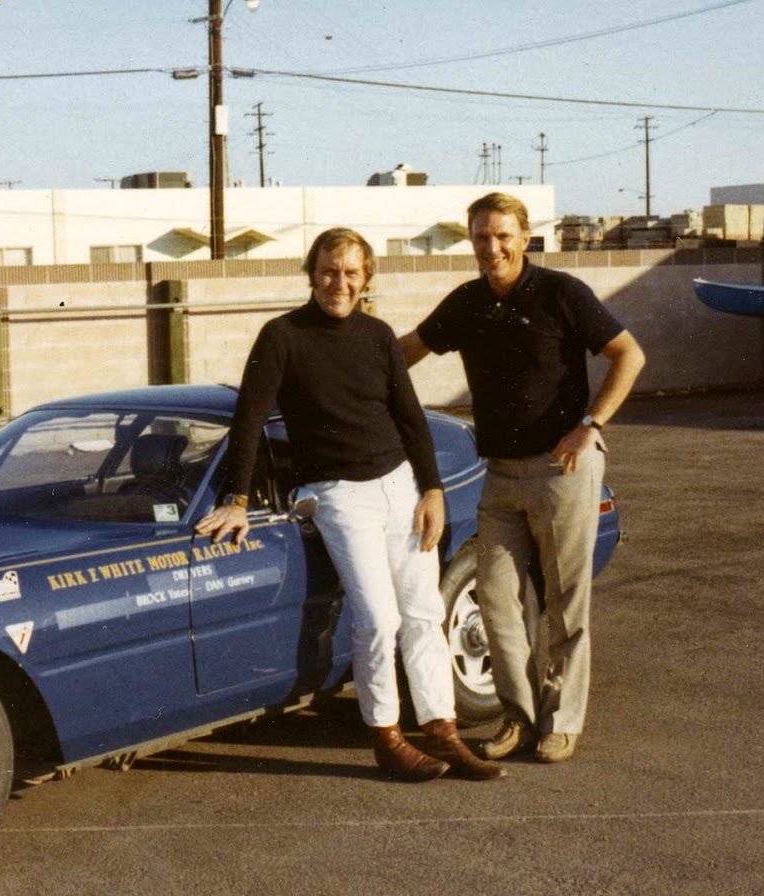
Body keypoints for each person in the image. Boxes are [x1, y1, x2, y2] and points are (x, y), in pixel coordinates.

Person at [196, 227, 504, 783]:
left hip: (400, 488)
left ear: (367, 279)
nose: (340, 283)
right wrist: (236, 499)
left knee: (424, 614)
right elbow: (247, 421)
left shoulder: (379, 335)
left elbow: (410, 418)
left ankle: (442, 730)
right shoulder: (281, 336)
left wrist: (432, 490)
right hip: (337, 495)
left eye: (351, 273)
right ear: (311, 274)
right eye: (329, 271)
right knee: (379, 619)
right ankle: (386, 737)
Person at [397, 192, 646, 763]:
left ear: (526, 237)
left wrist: (592, 424)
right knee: (496, 598)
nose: (493, 247)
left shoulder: (563, 294)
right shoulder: (466, 303)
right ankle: (518, 716)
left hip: (563, 469)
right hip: (501, 475)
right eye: (482, 237)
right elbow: (407, 350)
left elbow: (629, 355)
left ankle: (561, 721)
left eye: (503, 235)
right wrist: (349, 366)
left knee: (563, 600)